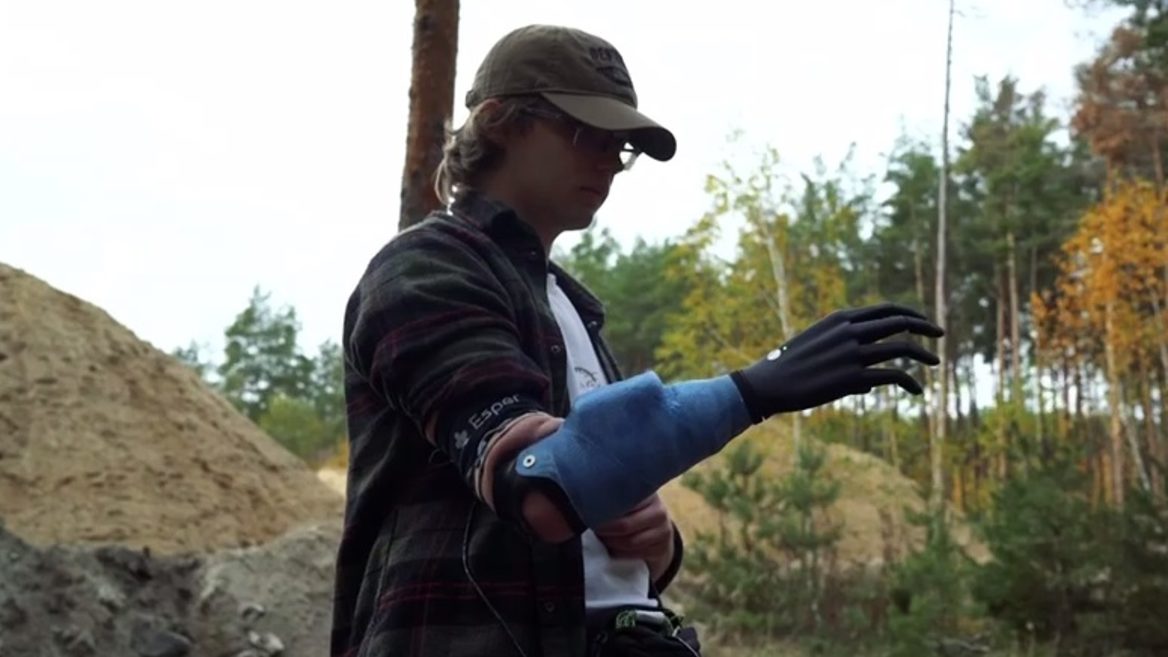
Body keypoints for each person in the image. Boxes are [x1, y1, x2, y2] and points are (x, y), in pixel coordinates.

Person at [329, 23, 943, 657]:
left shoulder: (570, 307)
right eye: (584, 133)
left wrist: (658, 545)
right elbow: (538, 486)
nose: (608, 161)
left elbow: (594, 507)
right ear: (498, 122)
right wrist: (755, 390)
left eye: (619, 146)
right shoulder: (424, 268)